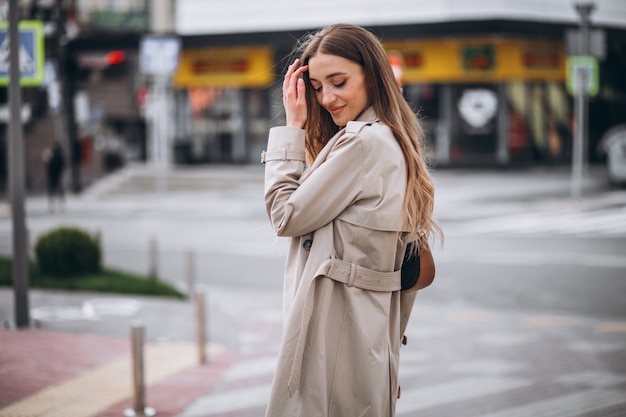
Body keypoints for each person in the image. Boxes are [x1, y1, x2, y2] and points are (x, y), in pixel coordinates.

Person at [262, 24, 442, 417]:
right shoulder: (394, 140)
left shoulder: (362, 143)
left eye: (338, 82)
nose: (327, 98)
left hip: (332, 342)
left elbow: (284, 214)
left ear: (372, 75)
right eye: (318, 86)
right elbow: (402, 274)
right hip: (366, 343)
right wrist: (389, 354)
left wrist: (292, 128)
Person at [42, 140, 65, 212]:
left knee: (55, 191)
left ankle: (55, 205)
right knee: (56, 191)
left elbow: (48, 165)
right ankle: (56, 205)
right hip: (55, 175)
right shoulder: (56, 155)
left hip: (54, 175)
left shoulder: (54, 155)